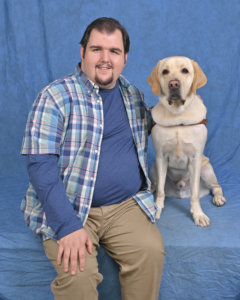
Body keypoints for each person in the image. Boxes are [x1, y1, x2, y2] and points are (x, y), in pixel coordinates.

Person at [21, 17, 165, 300]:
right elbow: (41, 169)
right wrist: (67, 226)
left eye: (114, 51)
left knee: (150, 253)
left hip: (125, 207)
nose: (105, 59)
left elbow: (163, 127)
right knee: (79, 274)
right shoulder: (54, 97)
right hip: (71, 207)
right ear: (82, 52)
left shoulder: (133, 96)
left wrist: (192, 122)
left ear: (125, 58)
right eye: (97, 49)